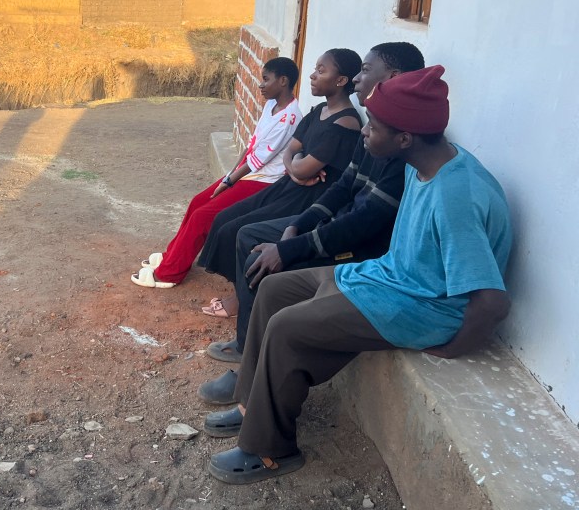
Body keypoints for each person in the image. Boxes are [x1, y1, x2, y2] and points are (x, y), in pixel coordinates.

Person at [201, 65, 513, 486]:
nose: (365, 132)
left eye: (375, 126)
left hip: (422, 308)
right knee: (275, 288)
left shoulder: (454, 196)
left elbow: (491, 302)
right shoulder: (420, 162)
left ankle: (270, 449)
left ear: (404, 138)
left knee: (287, 327)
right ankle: (250, 406)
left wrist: (453, 347)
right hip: (389, 279)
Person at [199, 43, 425, 373]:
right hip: (327, 218)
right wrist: (297, 226)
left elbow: (363, 222)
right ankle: (247, 347)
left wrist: (292, 245)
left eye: (365, 71)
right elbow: (342, 186)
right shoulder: (372, 129)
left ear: (393, 78)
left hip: (356, 248)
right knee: (248, 233)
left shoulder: (398, 144)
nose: (358, 80)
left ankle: (251, 363)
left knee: (258, 255)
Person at [195, 49, 364, 295]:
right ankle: (238, 289)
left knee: (239, 229)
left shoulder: (346, 122)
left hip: (310, 198)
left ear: (341, 80)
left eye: (321, 70)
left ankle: (241, 299)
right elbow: (292, 152)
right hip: (291, 186)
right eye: (315, 69)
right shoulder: (318, 111)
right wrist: (296, 170)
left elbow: (302, 164)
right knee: (224, 218)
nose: (312, 76)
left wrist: (297, 167)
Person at [131, 57, 301, 289]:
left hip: (263, 182)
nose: (260, 85)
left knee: (204, 216)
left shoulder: (289, 117)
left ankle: (169, 274)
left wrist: (230, 180)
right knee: (197, 202)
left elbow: (258, 160)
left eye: (265, 79)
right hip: (247, 173)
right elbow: (252, 145)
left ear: (283, 81)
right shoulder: (271, 105)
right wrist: (229, 174)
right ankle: (172, 255)